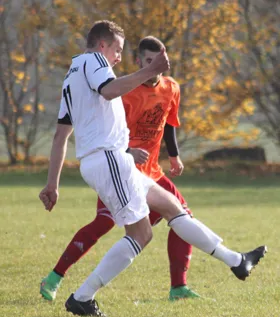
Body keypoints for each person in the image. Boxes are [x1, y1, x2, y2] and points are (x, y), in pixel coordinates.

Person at [39, 20, 267, 317]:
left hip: (111, 160)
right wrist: (149, 70)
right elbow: (109, 91)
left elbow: (61, 136)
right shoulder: (94, 60)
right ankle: (82, 297)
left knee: (172, 206)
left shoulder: (71, 77)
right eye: (118, 50)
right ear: (103, 45)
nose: (119, 57)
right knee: (141, 234)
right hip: (108, 160)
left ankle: (237, 261)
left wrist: (52, 184)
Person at [40, 36, 200, 302]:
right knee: (105, 222)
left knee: (183, 218)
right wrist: (126, 153)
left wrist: (174, 156)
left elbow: (169, 121)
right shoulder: (122, 89)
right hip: (121, 169)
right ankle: (57, 277)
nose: (156, 67)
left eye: (159, 61)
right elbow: (108, 131)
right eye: (149, 61)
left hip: (152, 172)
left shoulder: (171, 87)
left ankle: (178, 288)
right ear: (138, 62)